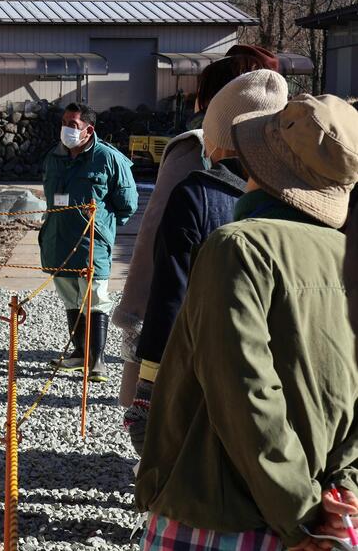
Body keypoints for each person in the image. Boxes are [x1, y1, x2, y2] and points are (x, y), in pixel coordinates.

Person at [135, 94, 358, 550]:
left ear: (262, 165)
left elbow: (244, 388)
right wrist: (342, 491)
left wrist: (299, 513)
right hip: (323, 508)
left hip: (221, 517)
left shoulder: (238, 248)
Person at [123, 70, 288, 456]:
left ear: (216, 136)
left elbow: (170, 293)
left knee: (177, 460)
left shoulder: (195, 195)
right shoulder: (293, 201)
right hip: (268, 372)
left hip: (196, 363)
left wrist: (147, 384)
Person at [40, 102, 137, 382]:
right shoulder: (53, 157)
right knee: (71, 299)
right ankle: (79, 353)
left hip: (92, 245)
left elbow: (126, 205)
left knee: (95, 299)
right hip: (58, 241)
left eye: (73, 125)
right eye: (64, 123)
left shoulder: (108, 158)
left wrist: (103, 229)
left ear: (88, 129)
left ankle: (97, 360)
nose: (66, 129)